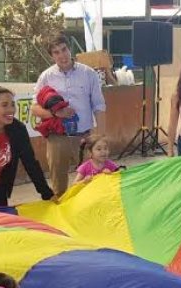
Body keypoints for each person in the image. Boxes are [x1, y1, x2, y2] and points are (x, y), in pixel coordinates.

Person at [31, 33, 106, 197]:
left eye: (64, 49)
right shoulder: (46, 77)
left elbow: (99, 105)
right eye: (56, 52)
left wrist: (100, 138)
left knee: (91, 183)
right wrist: (55, 113)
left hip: (85, 137)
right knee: (59, 186)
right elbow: (34, 108)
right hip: (58, 138)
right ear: (52, 56)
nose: (62, 55)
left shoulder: (88, 74)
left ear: (69, 49)